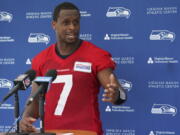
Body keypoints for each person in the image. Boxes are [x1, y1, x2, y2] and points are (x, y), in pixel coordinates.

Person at [20, 2, 126, 135]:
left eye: (76, 22)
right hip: (51, 132)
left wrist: (116, 95)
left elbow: (120, 94)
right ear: (54, 25)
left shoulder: (96, 55)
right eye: (66, 22)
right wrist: (26, 118)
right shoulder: (41, 59)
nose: (72, 27)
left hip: (85, 131)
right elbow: (35, 99)